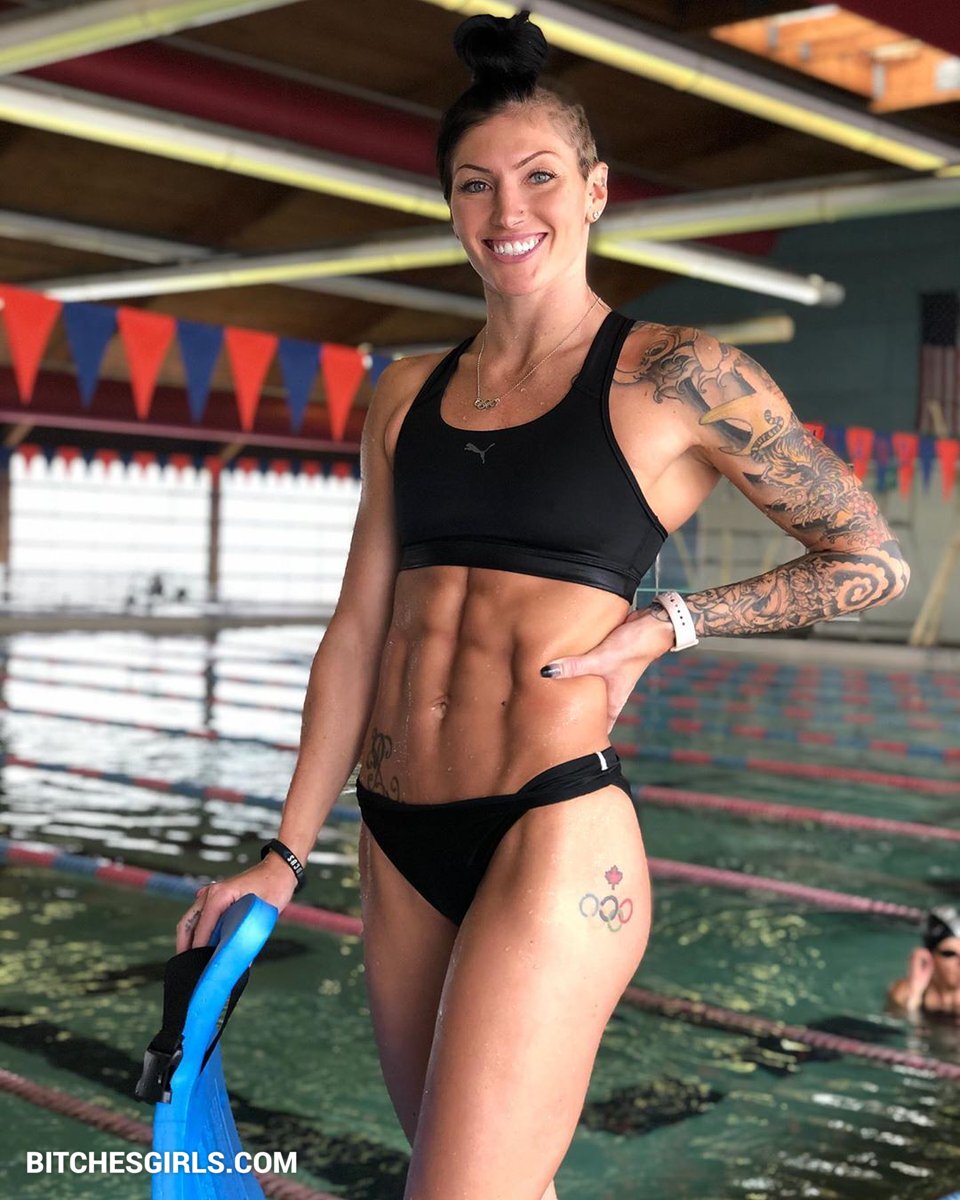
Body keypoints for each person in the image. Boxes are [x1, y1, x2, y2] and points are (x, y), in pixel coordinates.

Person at [175, 11, 911, 1197]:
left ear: (596, 190)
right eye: (476, 184)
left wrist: (672, 624)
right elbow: (359, 630)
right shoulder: (404, 392)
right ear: (450, 207)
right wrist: (283, 852)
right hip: (397, 838)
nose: (507, 209)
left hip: (551, 825)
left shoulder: (676, 376)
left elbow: (869, 557)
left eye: (539, 177)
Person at [887, 906, 960, 1017]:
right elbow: (896, 1021)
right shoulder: (906, 991)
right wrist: (915, 994)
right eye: (950, 954)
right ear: (930, 956)